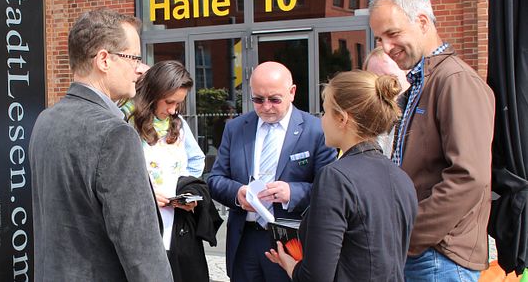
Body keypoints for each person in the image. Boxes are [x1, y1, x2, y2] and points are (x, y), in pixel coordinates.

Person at [28, 9, 173, 282]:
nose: (140, 69)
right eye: (134, 58)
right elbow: (141, 249)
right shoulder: (115, 134)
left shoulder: (45, 121)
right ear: (104, 60)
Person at [368, 0, 495, 281]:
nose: (386, 46)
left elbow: (469, 177)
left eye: (393, 33)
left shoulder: (455, 80)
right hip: (427, 254)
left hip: (439, 256)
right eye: (379, 38)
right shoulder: (427, 80)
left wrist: (410, 234)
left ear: (423, 22)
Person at [265, 70, 418, 281]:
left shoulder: (336, 177)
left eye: (325, 112)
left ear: (342, 119)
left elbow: (316, 277)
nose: (322, 119)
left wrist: (290, 264)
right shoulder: (400, 177)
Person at [208, 61, 337, 282]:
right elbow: (215, 180)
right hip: (245, 239)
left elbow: (329, 190)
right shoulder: (236, 128)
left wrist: (292, 193)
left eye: (274, 99)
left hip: (291, 240)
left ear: (292, 92)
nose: (266, 107)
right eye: (258, 99)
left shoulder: (316, 130)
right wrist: (238, 194)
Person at [127, 60, 220, 282]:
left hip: (180, 224)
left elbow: (196, 160)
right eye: (169, 102)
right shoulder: (129, 124)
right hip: (145, 227)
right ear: (152, 93)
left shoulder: (178, 125)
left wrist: (186, 189)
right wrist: (146, 193)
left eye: (178, 104)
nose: (173, 110)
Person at [362, 47, 410, 158]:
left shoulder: (419, 120)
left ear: (408, 76)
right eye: (376, 80)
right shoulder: (360, 125)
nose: (384, 86)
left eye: (391, 79)